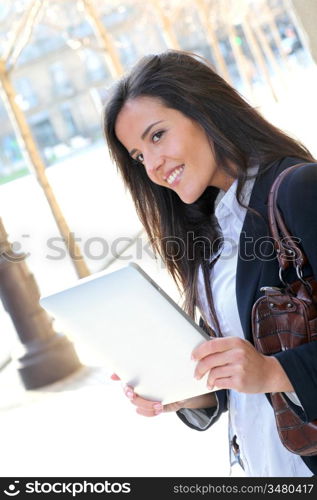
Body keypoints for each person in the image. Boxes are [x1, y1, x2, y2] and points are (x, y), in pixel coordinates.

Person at [103, 50, 317, 477]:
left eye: (157, 135)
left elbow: (267, 369)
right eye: (139, 156)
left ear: (204, 110)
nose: (154, 166)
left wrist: (274, 373)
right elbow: (244, 372)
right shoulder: (209, 234)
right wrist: (192, 392)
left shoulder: (300, 189)